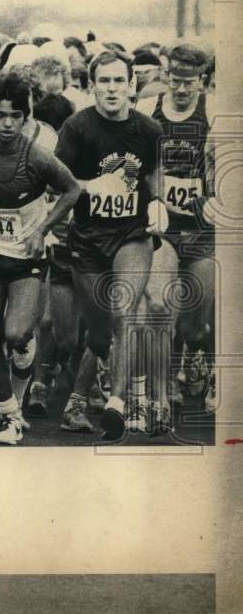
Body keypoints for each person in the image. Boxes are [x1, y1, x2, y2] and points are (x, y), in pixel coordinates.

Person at [0, 75, 81, 444]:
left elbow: (73, 190)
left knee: (17, 334)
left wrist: (43, 228)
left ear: (26, 118)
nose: (7, 124)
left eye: (15, 116)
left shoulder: (38, 156)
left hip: (27, 258)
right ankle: (10, 414)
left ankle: (25, 359)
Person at [55, 51, 166, 441]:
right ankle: (81, 396)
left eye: (120, 81)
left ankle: (118, 404)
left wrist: (157, 202)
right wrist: (89, 186)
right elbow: (57, 180)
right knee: (100, 334)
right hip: (86, 240)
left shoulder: (149, 129)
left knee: (125, 309)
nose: (113, 88)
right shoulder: (76, 127)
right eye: (105, 81)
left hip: (131, 235)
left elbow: (154, 172)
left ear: (131, 85)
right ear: (92, 87)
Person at [137, 43, 217, 414]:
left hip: (201, 229)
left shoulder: (214, 112)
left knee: (195, 326)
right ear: (166, 76)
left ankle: (191, 356)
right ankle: (164, 383)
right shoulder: (147, 110)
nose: (182, 89)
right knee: (158, 304)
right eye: (175, 80)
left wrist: (216, 198)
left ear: (203, 81)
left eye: (190, 82)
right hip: (161, 230)